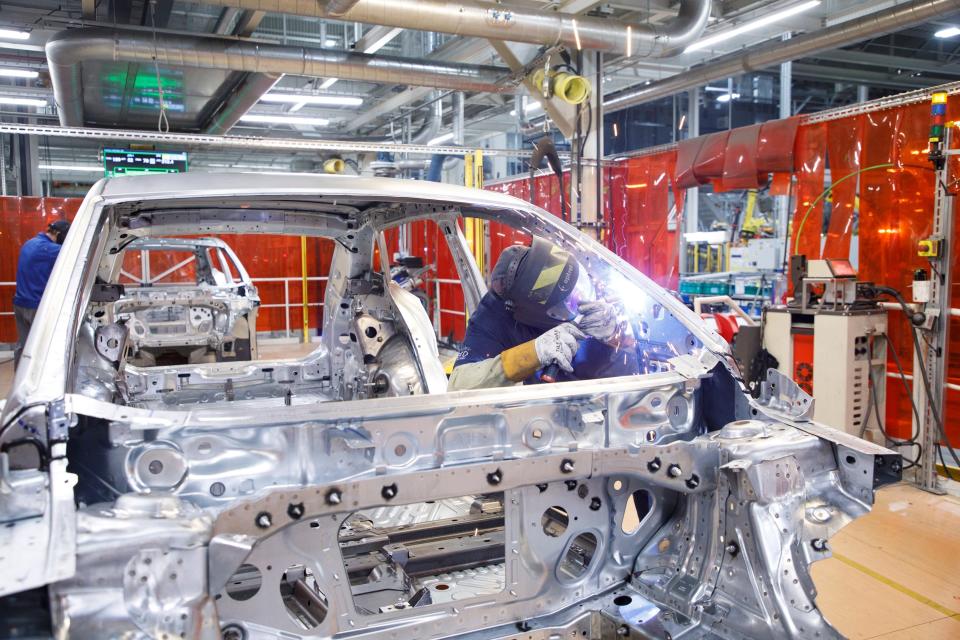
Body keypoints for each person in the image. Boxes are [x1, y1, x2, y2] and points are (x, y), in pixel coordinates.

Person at [448, 237, 636, 390]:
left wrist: (615, 333)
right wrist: (534, 352)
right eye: (570, 300)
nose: (581, 300)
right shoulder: (494, 316)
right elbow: (458, 385)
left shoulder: (595, 297)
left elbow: (629, 361)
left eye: (580, 287)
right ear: (535, 312)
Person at [12, 220, 70, 367]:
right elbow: (75, 255)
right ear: (57, 233)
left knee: (24, 344)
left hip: (20, 303)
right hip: (37, 306)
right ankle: (40, 382)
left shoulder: (30, 243)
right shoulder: (49, 249)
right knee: (45, 347)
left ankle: (19, 378)